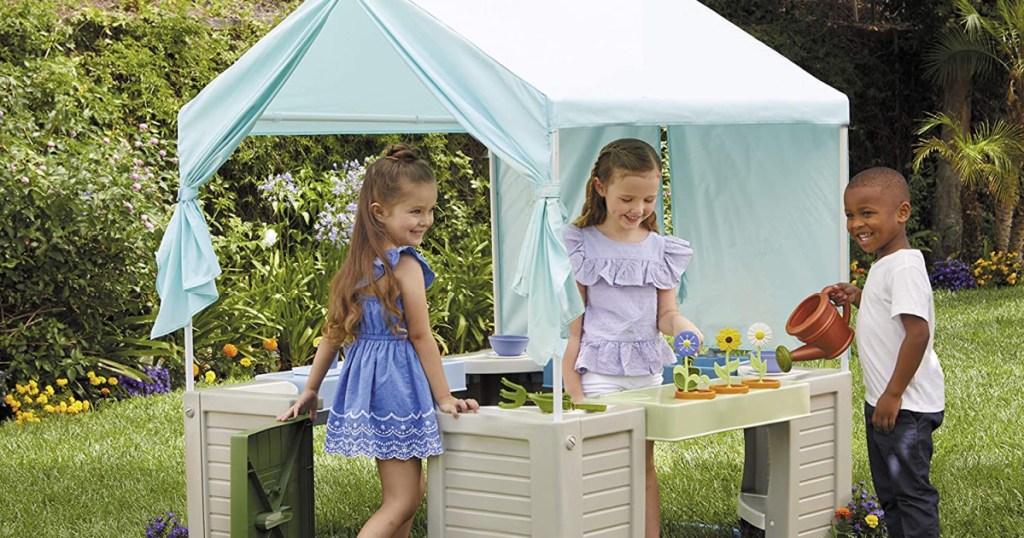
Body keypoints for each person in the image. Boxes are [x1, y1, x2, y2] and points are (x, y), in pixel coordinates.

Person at [278, 144, 478, 538]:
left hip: (370, 389)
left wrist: (313, 389)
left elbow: (332, 334)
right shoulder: (406, 265)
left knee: (410, 491)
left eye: (430, 210)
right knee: (402, 499)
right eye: (415, 211)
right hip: (397, 387)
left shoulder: (356, 263)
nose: (426, 220)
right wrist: (443, 397)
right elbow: (421, 336)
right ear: (379, 212)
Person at [561, 138, 702, 538]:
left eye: (648, 199)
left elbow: (666, 315)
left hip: (646, 375)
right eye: (627, 198)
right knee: (599, 467)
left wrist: (683, 327)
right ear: (601, 187)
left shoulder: (662, 250)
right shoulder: (583, 245)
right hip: (600, 374)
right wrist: (574, 390)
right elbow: (574, 327)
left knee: (642, 468)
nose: (638, 210)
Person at [828, 167, 945, 538]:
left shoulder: (905, 266)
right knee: (890, 494)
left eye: (867, 213)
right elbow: (890, 317)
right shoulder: (884, 262)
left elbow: (917, 332)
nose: (856, 223)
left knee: (911, 494)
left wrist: (893, 395)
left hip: (904, 406)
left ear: (902, 212)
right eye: (850, 215)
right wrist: (860, 297)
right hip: (883, 401)